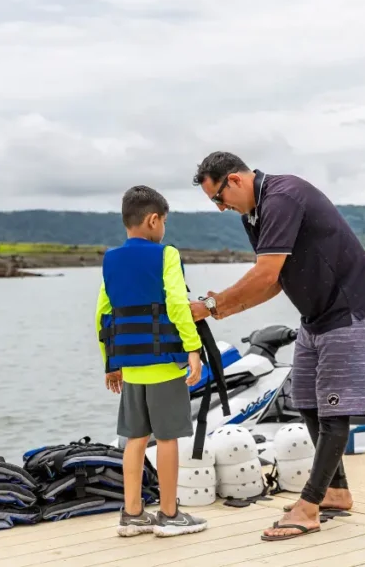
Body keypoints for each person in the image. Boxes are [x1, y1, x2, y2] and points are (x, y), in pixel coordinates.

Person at [189, 152, 365, 541]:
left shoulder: (282, 197)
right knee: (307, 401)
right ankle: (336, 491)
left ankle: (310, 507)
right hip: (315, 315)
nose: (220, 207)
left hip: (348, 309)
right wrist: (221, 309)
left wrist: (212, 306)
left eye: (219, 198)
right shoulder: (254, 214)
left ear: (235, 180)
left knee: (334, 410)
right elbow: (273, 281)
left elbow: (264, 273)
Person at [97, 185, 209, 538]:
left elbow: (103, 314)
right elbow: (176, 304)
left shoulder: (110, 259)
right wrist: (193, 348)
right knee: (168, 439)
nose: (165, 231)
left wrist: (110, 363)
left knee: (135, 438)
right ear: (153, 220)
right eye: (164, 223)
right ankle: (169, 513)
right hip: (163, 363)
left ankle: (132, 515)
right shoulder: (166, 254)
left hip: (129, 367)